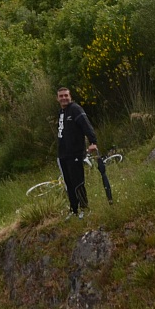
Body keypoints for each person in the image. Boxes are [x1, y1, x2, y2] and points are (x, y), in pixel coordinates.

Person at [56, 86, 98, 218]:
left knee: (77, 181)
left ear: (70, 96)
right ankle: (74, 210)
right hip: (63, 154)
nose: (64, 98)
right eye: (61, 96)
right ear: (57, 98)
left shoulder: (75, 109)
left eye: (66, 95)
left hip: (75, 153)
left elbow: (86, 125)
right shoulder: (61, 112)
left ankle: (84, 208)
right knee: (68, 183)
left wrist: (93, 142)